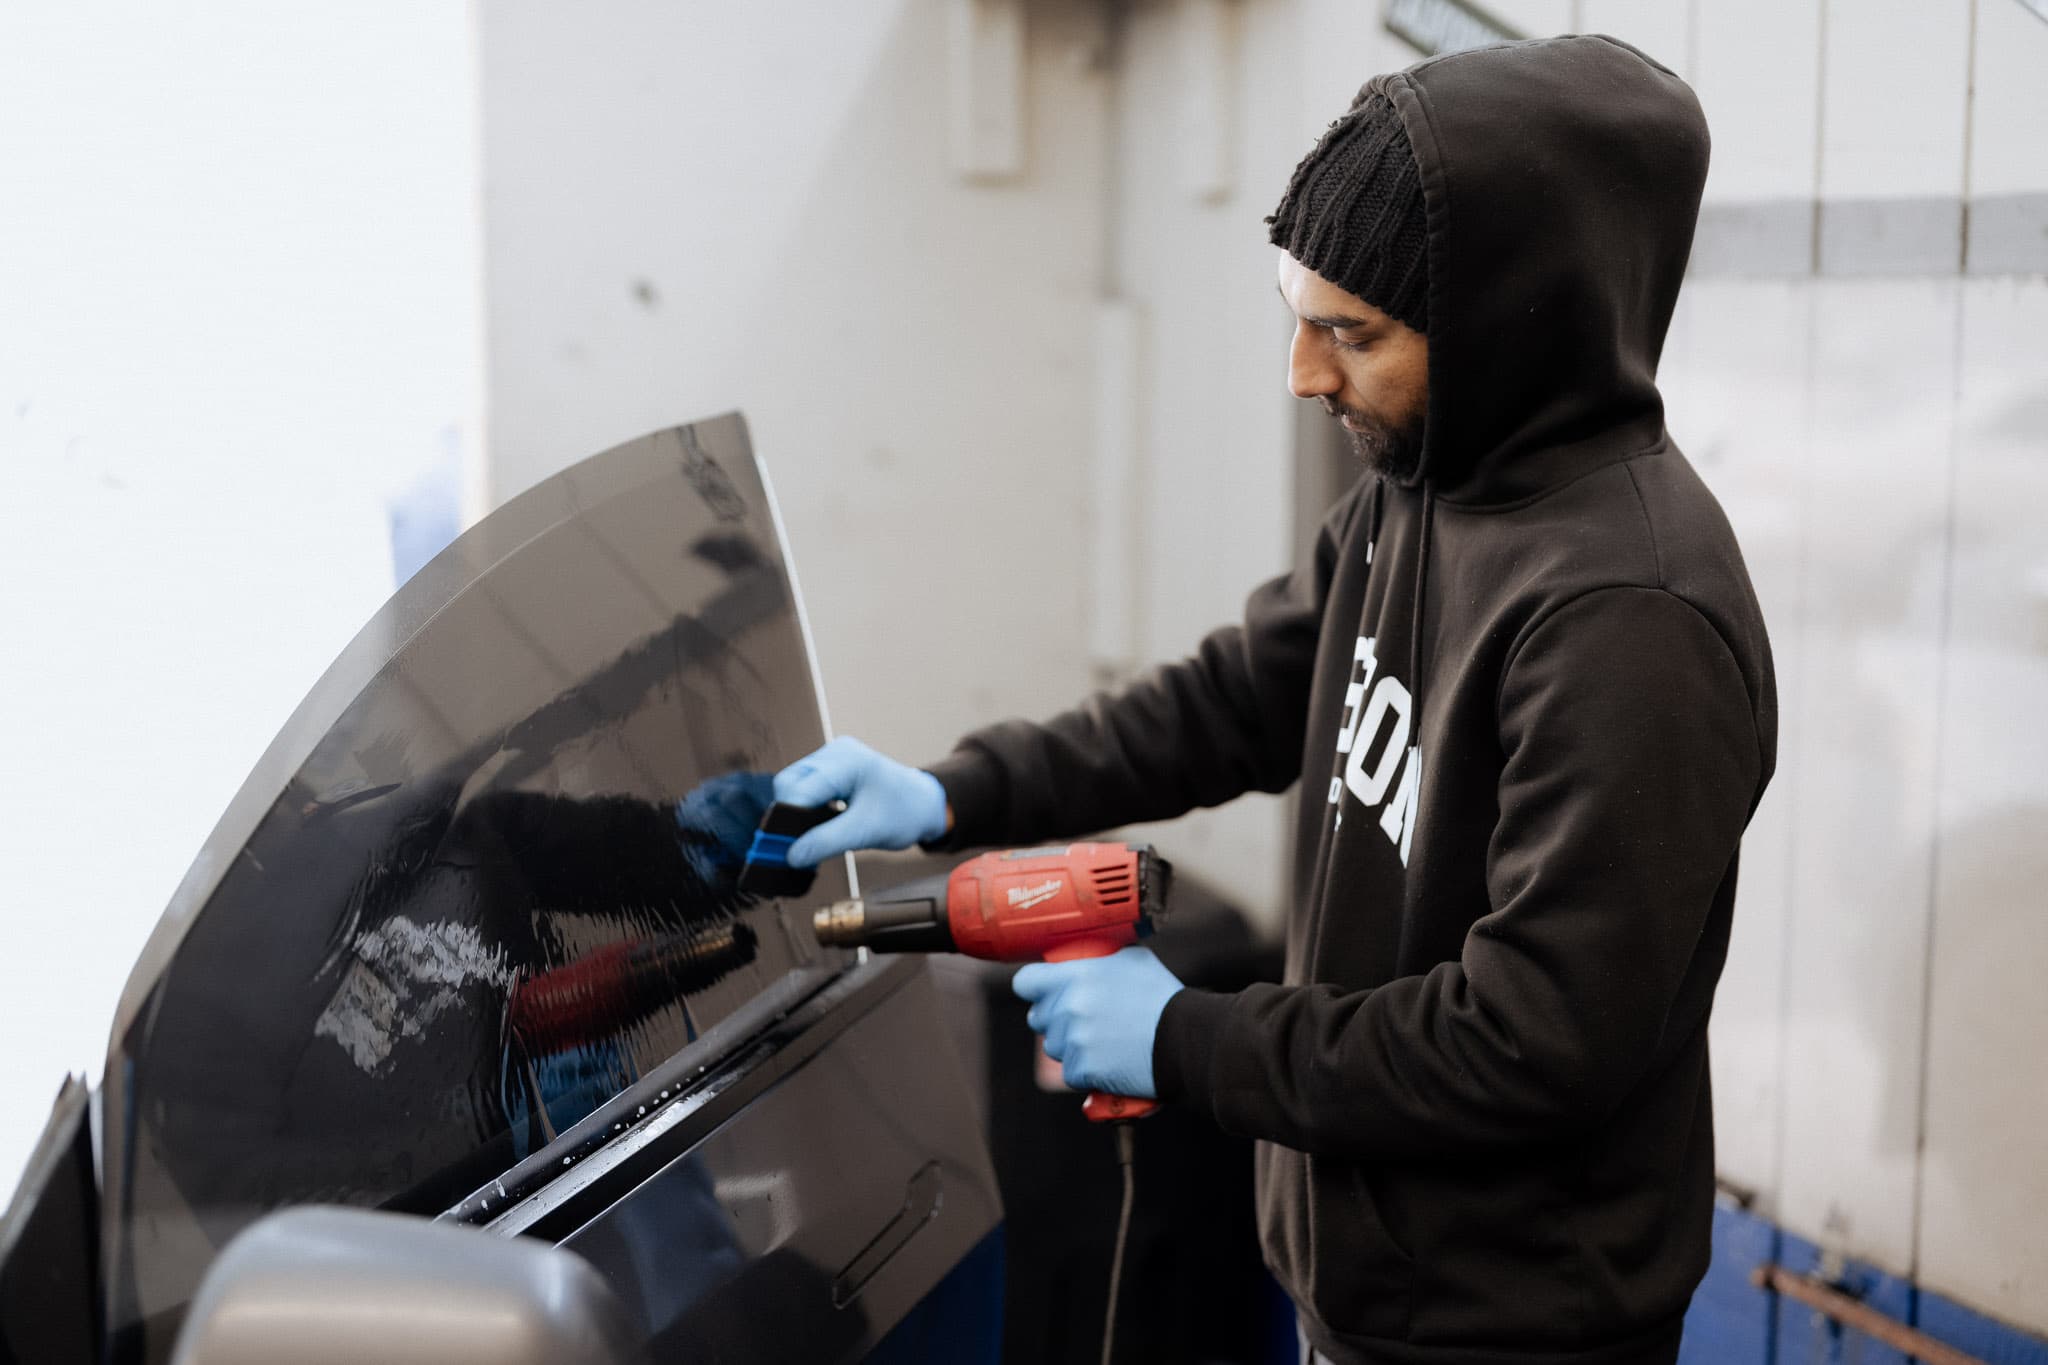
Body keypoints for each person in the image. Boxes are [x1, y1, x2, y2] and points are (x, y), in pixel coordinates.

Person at [773, 35, 1776, 1365]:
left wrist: (1187, 1036)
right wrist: (958, 786)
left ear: (1503, 322)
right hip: (1360, 1294)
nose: (1303, 373)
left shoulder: (1631, 621)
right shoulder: (1424, 484)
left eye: (1351, 334)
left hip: (1516, 1331)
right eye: (1297, 315)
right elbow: (1239, 696)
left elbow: (1535, 1038)